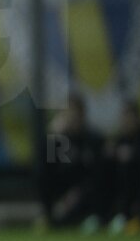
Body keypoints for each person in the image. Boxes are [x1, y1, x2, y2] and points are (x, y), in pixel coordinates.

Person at [39, 93, 106, 231]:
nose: (71, 116)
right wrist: (51, 136)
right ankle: (49, 215)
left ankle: (93, 218)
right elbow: (46, 171)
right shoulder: (57, 141)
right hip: (62, 197)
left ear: (82, 114)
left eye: (74, 111)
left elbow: (96, 174)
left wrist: (77, 193)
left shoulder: (93, 139)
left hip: (86, 195)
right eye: (67, 112)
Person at [105, 100, 140, 235]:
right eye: (124, 117)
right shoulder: (119, 139)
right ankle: (114, 215)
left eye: (129, 117)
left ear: (138, 118)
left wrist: (134, 155)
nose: (126, 121)